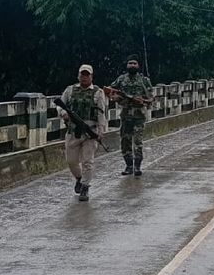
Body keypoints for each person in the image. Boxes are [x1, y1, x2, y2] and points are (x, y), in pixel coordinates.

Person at [57, 64, 107, 202]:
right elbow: (60, 104)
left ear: (91, 77)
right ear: (78, 75)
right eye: (82, 74)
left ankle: (85, 186)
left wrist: (101, 130)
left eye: (87, 75)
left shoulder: (98, 92)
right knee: (71, 161)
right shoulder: (70, 90)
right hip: (73, 131)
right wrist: (63, 113)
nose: (84, 77)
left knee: (87, 161)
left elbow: (101, 112)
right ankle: (79, 178)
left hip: (90, 131)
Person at [107, 55, 153, 176]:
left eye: (134, 63)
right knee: (125, 140)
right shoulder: (121, 79)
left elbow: (151, 98)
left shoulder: (144, 80)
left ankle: (137, 166)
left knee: (138, 141)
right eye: (130, 63)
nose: (132, 65)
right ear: (127, 65)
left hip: (139, 116)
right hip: (126, 115)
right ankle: (129, 166)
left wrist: (142, 101)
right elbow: (110, 90)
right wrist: (116, 98)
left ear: (138, 65)